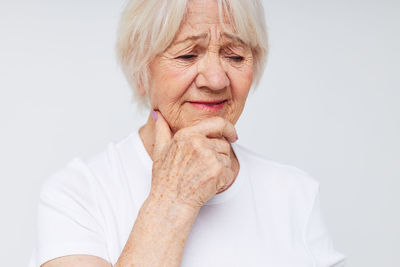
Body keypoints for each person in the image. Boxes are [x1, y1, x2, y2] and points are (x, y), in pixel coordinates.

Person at [29, 0, 347, 266]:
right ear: (140, 69)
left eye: (235, 55)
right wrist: (174, 198)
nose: (215, 79)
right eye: (188, 55)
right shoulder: (78, 194)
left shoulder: (296, 193)